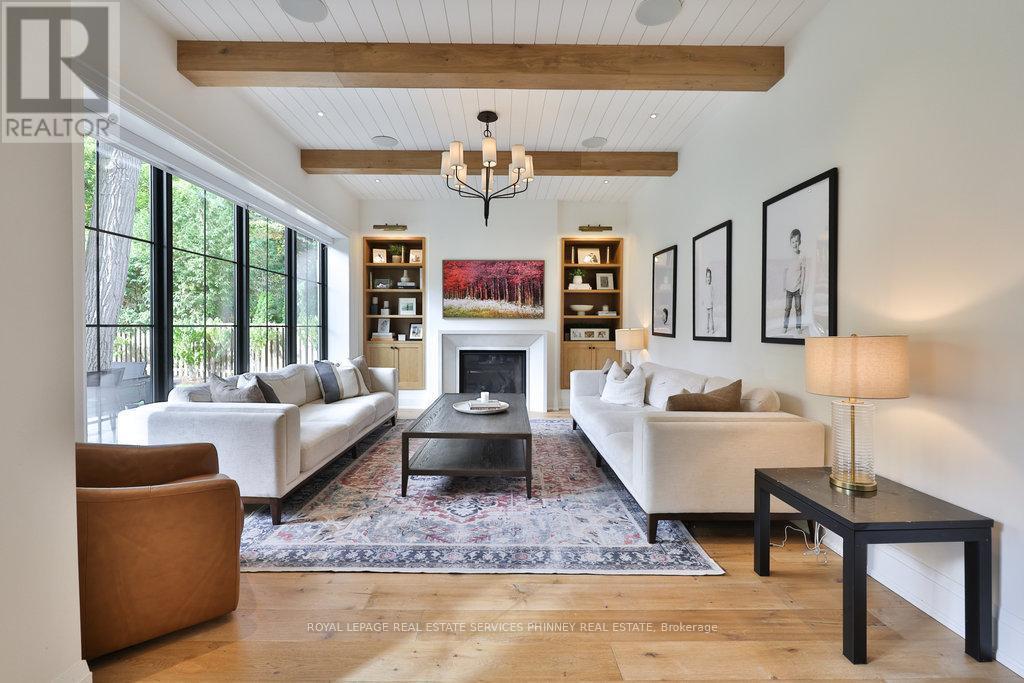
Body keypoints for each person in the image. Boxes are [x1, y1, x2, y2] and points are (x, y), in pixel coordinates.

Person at [783, 228, 807, 334]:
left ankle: (798, 327)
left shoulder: (802, 256)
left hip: (797, 288)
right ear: (790, 243)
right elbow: (785, 271)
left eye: (797, 241)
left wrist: (802, 287)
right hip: (789, 288)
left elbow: (803, 273)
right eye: (793, 242)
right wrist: (784, 285)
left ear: (800, 242)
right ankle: (785, 326)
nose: (795, 244)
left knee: (798, 308)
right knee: (787, 308)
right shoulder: (788, 256)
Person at [701, 267, 715, 334]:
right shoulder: (704, 286)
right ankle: (707, 328)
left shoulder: (711, 286)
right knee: (707, 318)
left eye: (709, 277)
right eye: (707, 277)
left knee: (711, 318)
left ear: (711, 278)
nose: (708, 278)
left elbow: (712, 295)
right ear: (705, 278)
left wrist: (712, 301)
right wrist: (703, 301)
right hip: (706, 305)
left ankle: (712, 329)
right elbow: (703, 295)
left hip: (710, 304)